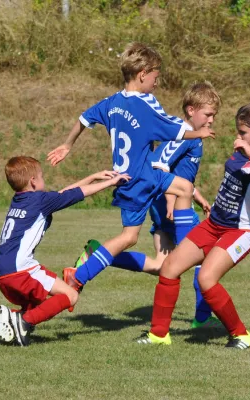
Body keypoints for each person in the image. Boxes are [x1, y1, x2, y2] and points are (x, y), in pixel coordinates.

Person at [46, 43, 215, 302]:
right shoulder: (145, 104)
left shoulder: (112, 102)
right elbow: (175, 129)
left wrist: (67, 144)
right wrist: (198, 132)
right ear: (143, 74)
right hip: (140, 179)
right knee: (128, 237)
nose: (157, 83)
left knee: (184, 189)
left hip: (129, 176)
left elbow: (83, 119)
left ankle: (182, 251)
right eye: (156, 77)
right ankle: (79, 276)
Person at [74, 81, 222, 327]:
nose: (211, 120)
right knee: (204, 255)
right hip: (169, 206)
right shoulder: (181, 135)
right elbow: (159, 166)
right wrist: (172, 201)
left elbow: (178, 175)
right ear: (191, 110)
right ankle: (202, 319)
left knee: (161, 265)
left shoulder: (187, 135)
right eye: (207, 114)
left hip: (169, 202)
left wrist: (195, 195)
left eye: (214, 115)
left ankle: (97, 256)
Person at [137, 103, 250, 349]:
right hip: (214, 224)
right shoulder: (242, 150)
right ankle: (159, 335)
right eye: (238, 132)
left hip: (240, 231)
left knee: (206, 278)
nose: (238, 137)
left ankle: (241, 335)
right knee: (170, 267)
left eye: (243, 132)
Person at [0, 156, 129, 346]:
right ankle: (22, 321)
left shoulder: (21, 199)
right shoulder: (40, 200)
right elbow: (76, 194)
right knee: (70, 296)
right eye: (41, 176)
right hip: (20, 269)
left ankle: (15, 320)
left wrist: (93, 177)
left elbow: (65, 194)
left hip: (1, 270)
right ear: (33, 181)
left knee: (39, 306)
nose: (43, 179)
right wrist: (111, 182)